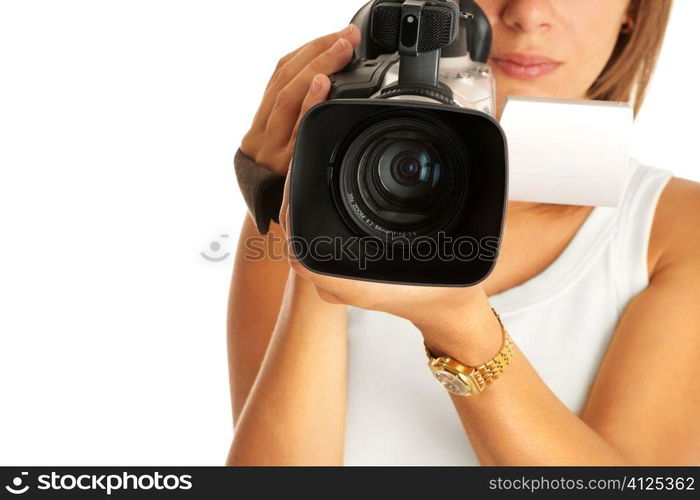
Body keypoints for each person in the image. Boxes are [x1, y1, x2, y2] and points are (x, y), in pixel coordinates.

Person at [226, 0, 700, 466]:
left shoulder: (676, 228)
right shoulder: (297, 194)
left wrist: (463, 329)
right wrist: (319, 201)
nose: (528, 13)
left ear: (634, 10)